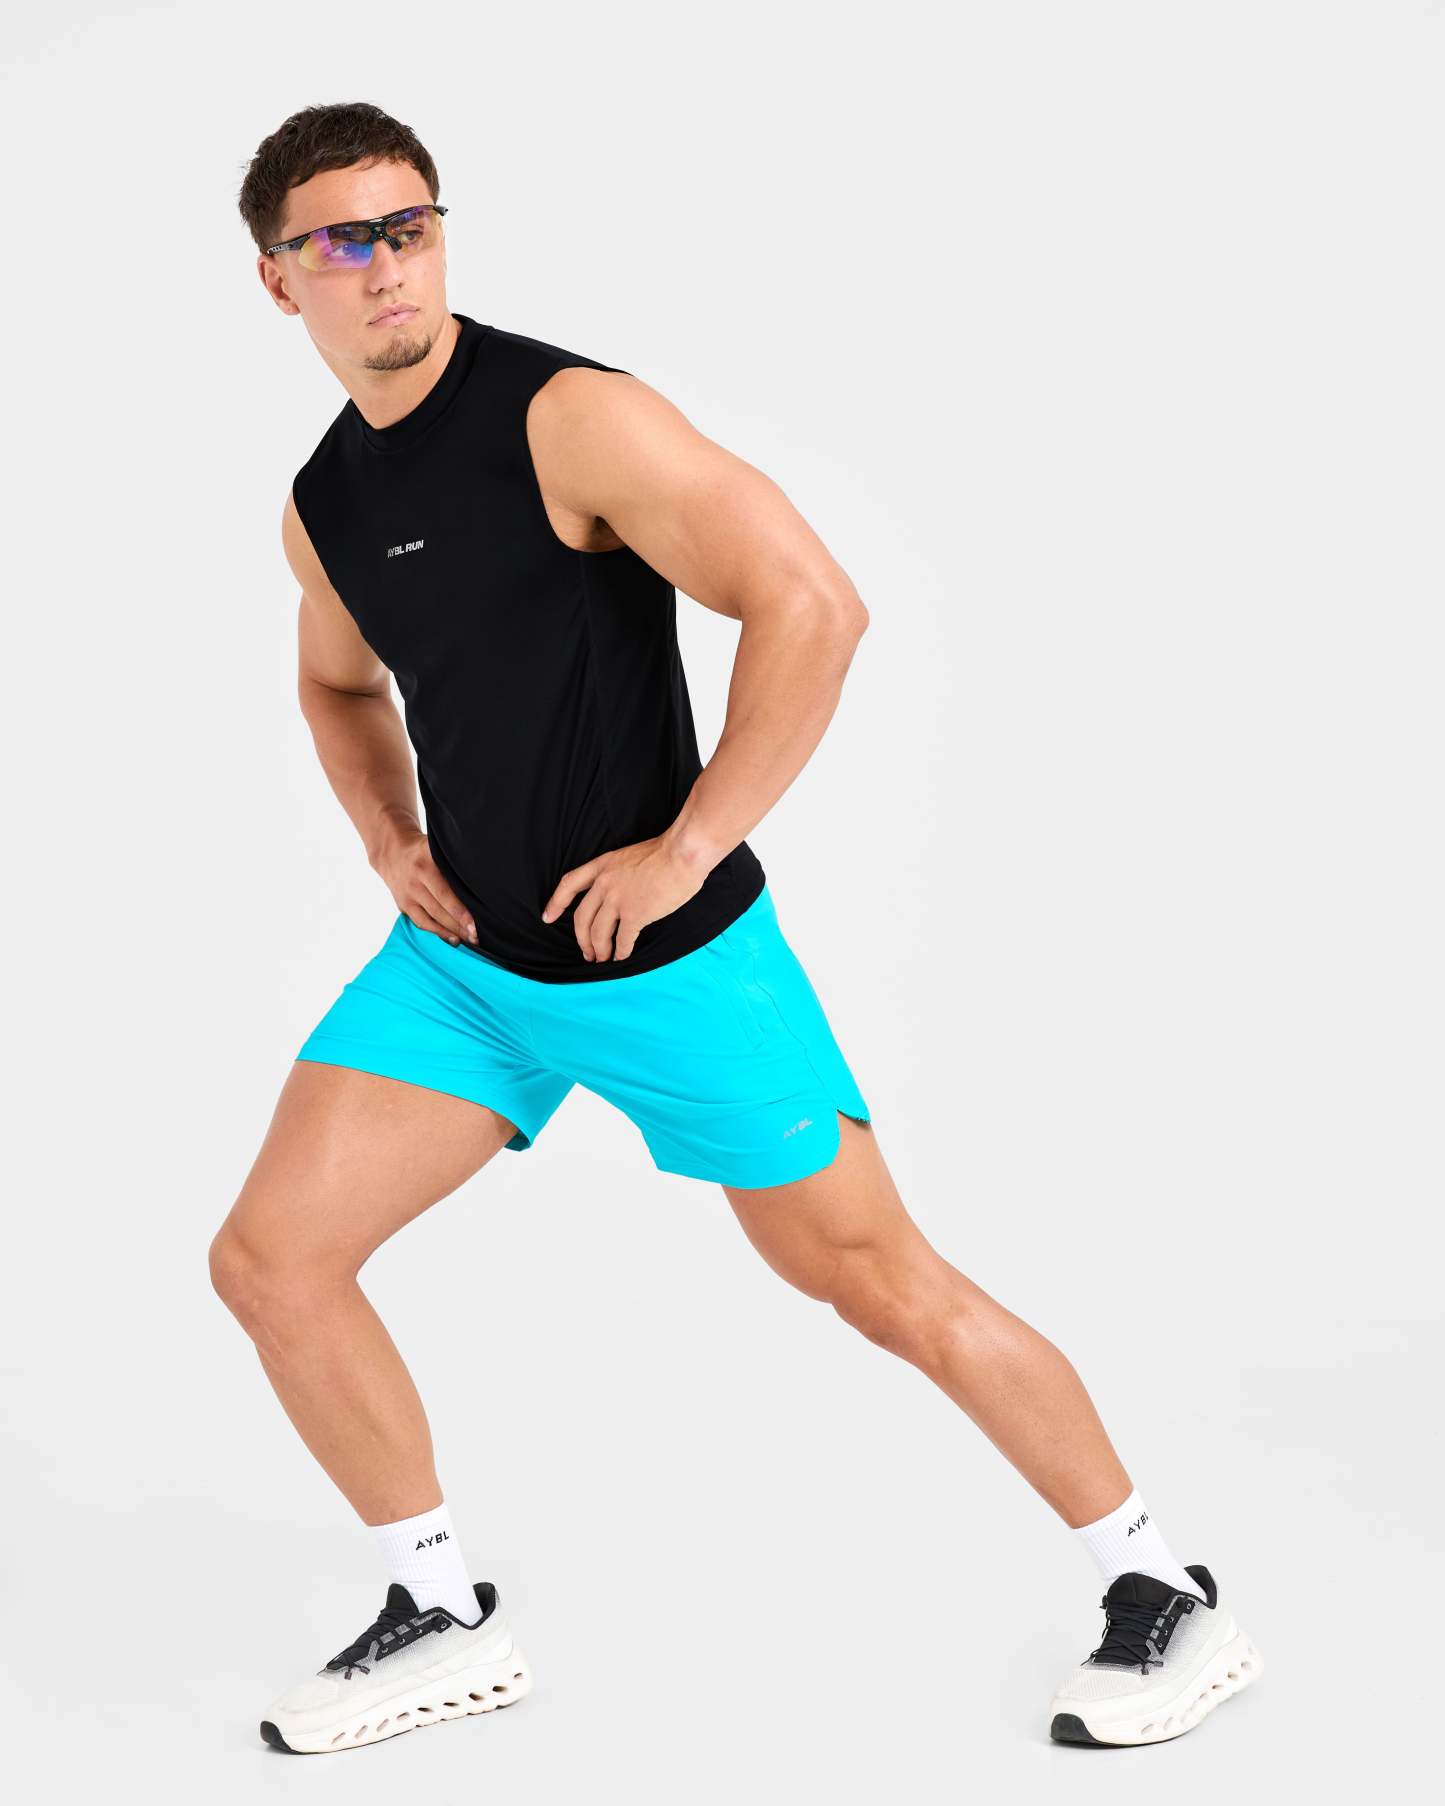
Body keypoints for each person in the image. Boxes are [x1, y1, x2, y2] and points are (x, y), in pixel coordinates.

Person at [214, 101, 1262, 1757]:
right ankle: (439, 1610)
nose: (387, 265)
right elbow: (336, 683)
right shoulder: (324, 501)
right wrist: (386, 837)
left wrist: (690, 842)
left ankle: (1162, 1584)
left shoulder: (569, 419)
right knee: (269, 1259)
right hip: (468, 977)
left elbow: (812, 602)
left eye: (409, 225)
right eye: (341, 241)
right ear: (279, 281)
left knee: (879, 1283)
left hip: (672, 969)